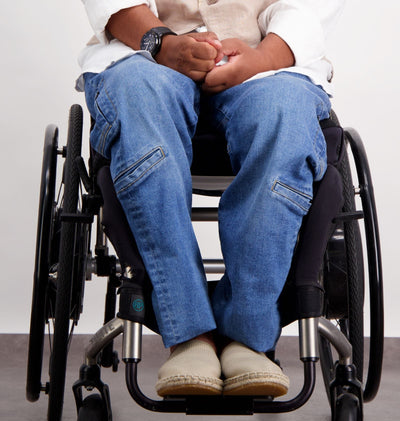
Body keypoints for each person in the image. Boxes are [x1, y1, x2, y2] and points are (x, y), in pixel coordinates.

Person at [78, 0, 345, 397]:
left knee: (285, 112)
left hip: (267, 67)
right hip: (144, 58)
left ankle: (247, 336)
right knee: (136, 93)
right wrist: (162, 43)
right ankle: (190, 335)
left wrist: (261, 57)